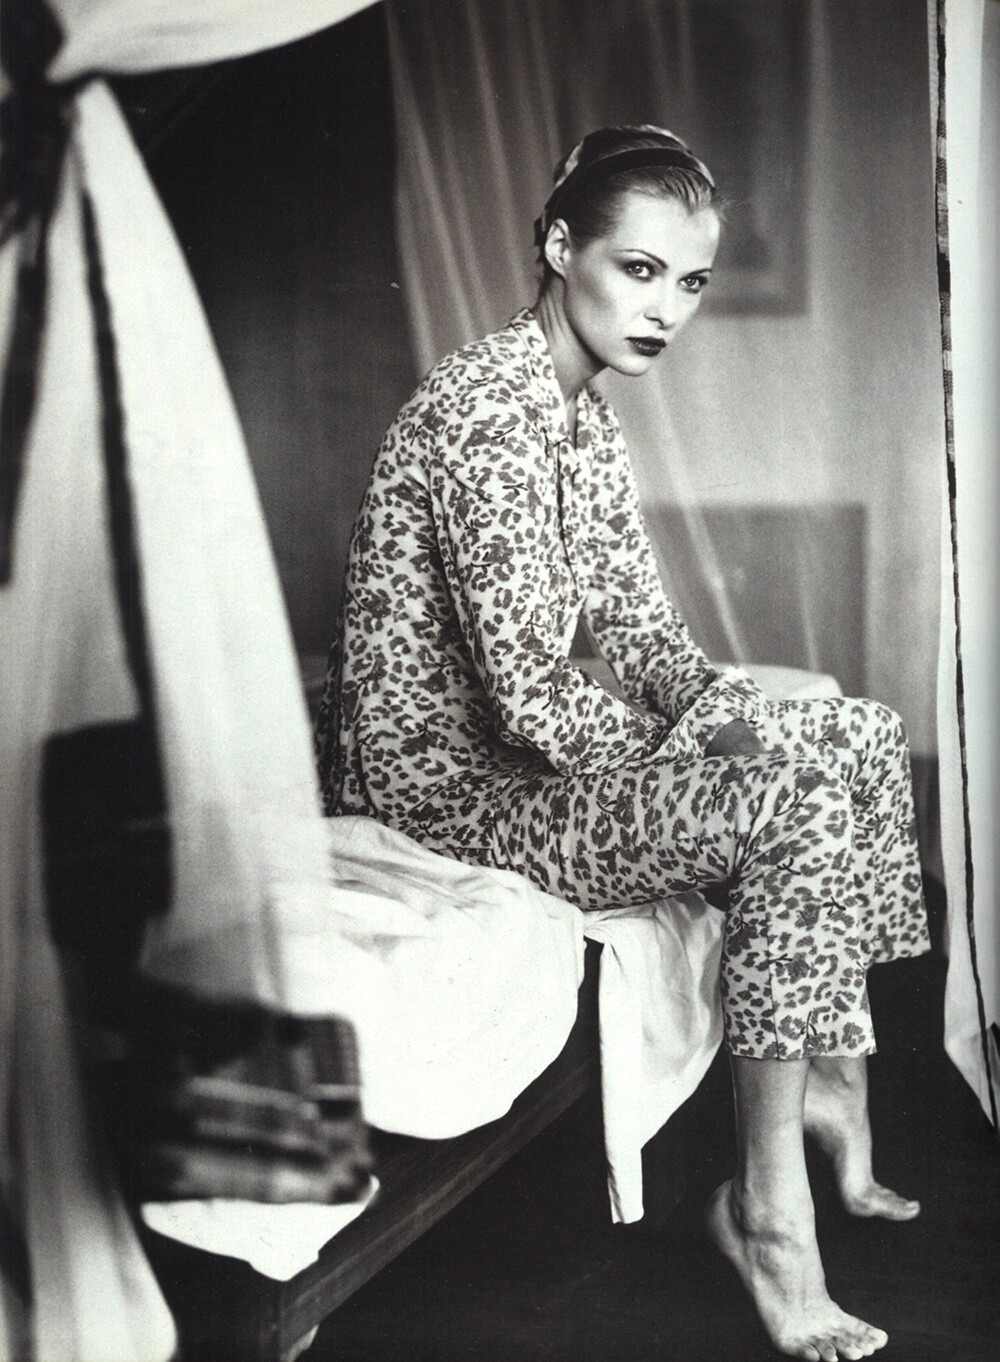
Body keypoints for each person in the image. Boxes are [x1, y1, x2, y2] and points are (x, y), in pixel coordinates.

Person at [315, 125, 930, 1362]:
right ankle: (767, 1217)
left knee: (856, 733)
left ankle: (833, 1081)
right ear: (560, 247)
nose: (665, 311)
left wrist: (728, 716)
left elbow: (643, 634)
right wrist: (713, 763)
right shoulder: (485, 410)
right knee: (789, 801)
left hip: (522, 770)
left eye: (688, 282)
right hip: (450, 799)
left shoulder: (581, 416)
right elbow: (531, 701)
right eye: (638, 270)